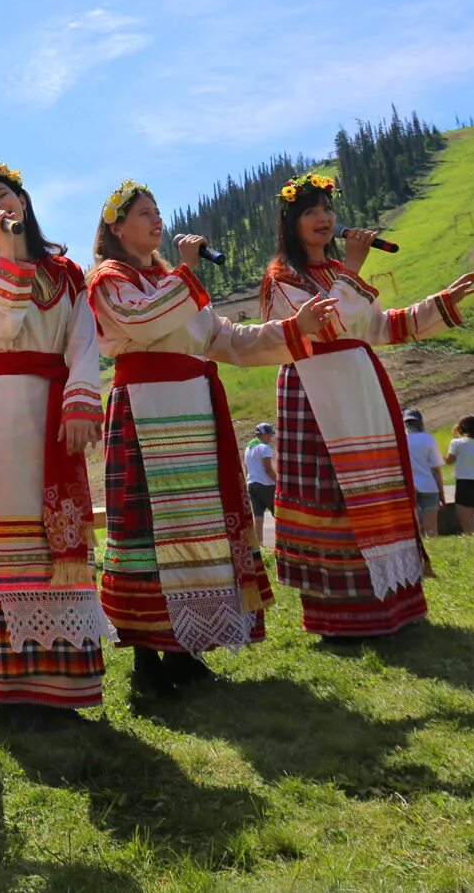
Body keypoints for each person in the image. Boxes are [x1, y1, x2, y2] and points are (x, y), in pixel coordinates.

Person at [87, 178, 336, 698]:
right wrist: (186, 272)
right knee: (150, 533)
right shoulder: (109, 280)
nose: (157, 221)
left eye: (158, 211)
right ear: (116, 226)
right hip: (146, 413)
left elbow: (225, 339)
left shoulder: (171, 281)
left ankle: (185, 648)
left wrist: (297, 326)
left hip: (194, 414)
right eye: (145, 214)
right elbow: (144, 320)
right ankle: (146, 662)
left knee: (195, 529)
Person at [259, 173, 474, 639]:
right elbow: (325, 326)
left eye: (327, 209)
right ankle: (341, 617)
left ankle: (395, 604)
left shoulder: (336, 273)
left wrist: (441, 304)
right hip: (316, 395)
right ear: (291, 223)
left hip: (361, 389)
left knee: (375, 485)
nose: (324, 219)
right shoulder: (282, 279)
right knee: (333, 491)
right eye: (311, 212)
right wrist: (353, 268)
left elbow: (379, 328)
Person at [0, 161, 111, 712]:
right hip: (2, 413)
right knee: (6, 541)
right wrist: (8, 258)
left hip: (55, 406)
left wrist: (81, 402)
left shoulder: (68, 272)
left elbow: (83, 339)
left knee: (54, 543)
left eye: (5, 195)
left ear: (24, 201)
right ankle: (14, 685)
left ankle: (67, 682)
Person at [403, 409, 446, 537]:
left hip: (409, 486)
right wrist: (441, 494)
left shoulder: (399, 440)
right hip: (429, 485)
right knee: (431, 529)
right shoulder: (428, 439)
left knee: (414, 531)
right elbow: (436, 469)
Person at [244, 423, 277, 534]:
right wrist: (279, 483)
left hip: (251, 484)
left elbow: (247, 470)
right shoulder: (265, 448)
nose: (271, 437)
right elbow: (268, 470)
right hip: (265, 485)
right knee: (278, 514)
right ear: (264, 434)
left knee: (258, 517)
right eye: (269, 434)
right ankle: (282, 541)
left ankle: (260, 545)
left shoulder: (248, 448)